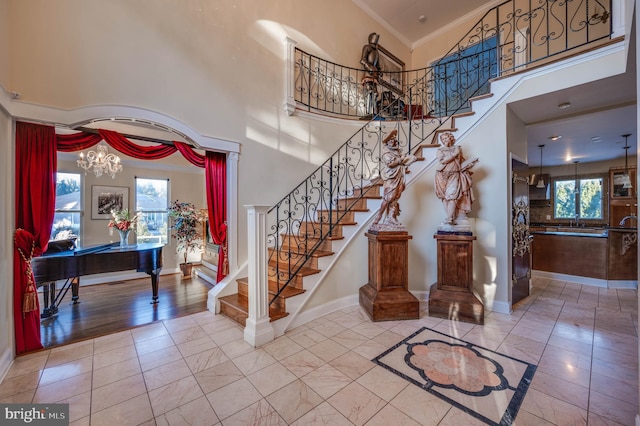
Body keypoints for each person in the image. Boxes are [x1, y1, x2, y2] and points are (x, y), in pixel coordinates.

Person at [371, 130, 417, 228]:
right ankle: (378, 217)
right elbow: (390, 164)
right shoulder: (386, 152)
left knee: (396, 197)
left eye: (394, 140)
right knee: (389, 197)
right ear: (387, 142)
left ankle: (391, 217)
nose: (393, 141)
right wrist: (401, 159)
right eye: (390, 140)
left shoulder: (397, 151)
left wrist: (406, 162)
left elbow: (401, 163)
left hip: (399, 175)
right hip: (391, 176)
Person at [435, 132, 478, 226]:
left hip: (454, 174)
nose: (444, 141)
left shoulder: (458, 149)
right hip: (441, 175)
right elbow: (442, 161)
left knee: (452, 196)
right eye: (443, 139)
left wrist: (469, 164)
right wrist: (455, 154)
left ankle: (450, 218)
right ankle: (450, 216)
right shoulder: (440, 150)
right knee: (444, 197)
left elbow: (461, 162)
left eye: (446, 138)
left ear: (451, 138)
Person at [360, 33, 381, 117]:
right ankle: (368, 112)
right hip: (368, 74)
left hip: (374, 76)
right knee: (369, 92)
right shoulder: (367, 47)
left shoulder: (376, 52)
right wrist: (370, 68)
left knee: (375, 94)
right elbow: (363, 60)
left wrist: (379, 71)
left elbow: (378, 65)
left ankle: (373, 111)